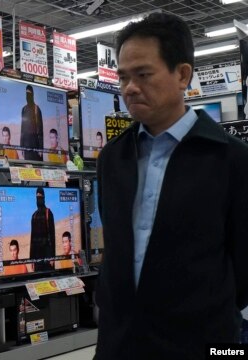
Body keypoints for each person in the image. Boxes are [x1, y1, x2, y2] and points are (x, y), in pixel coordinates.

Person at [95, 13, 248, 359]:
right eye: (123, 78)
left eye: (143, 75)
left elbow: (243, 267)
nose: (129, 88)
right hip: (120, 344)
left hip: (200, 342)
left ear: (182, 75)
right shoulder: (112, 160)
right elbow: (115, 248)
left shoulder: (231, 159)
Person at [29, 187, 55, 272]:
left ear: (44, 197)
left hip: (47, 254)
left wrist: (52, 257)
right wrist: (31, 259)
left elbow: (52, 236)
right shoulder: (34, 215)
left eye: (40, 196)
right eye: (37, 196)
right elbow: (32, 239)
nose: (38, 198)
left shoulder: (48, 213)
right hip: (37, 257)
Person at [20, 85, 43, 161]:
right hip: (26, 146)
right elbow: (22, 129)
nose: (28, 95)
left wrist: (40, 148)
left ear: (32, 94)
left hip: (35, 145)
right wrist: (22, 147)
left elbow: (40, 130)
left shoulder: (37, 109)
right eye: (26, 93)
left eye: (29, 93)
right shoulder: (24, 109)